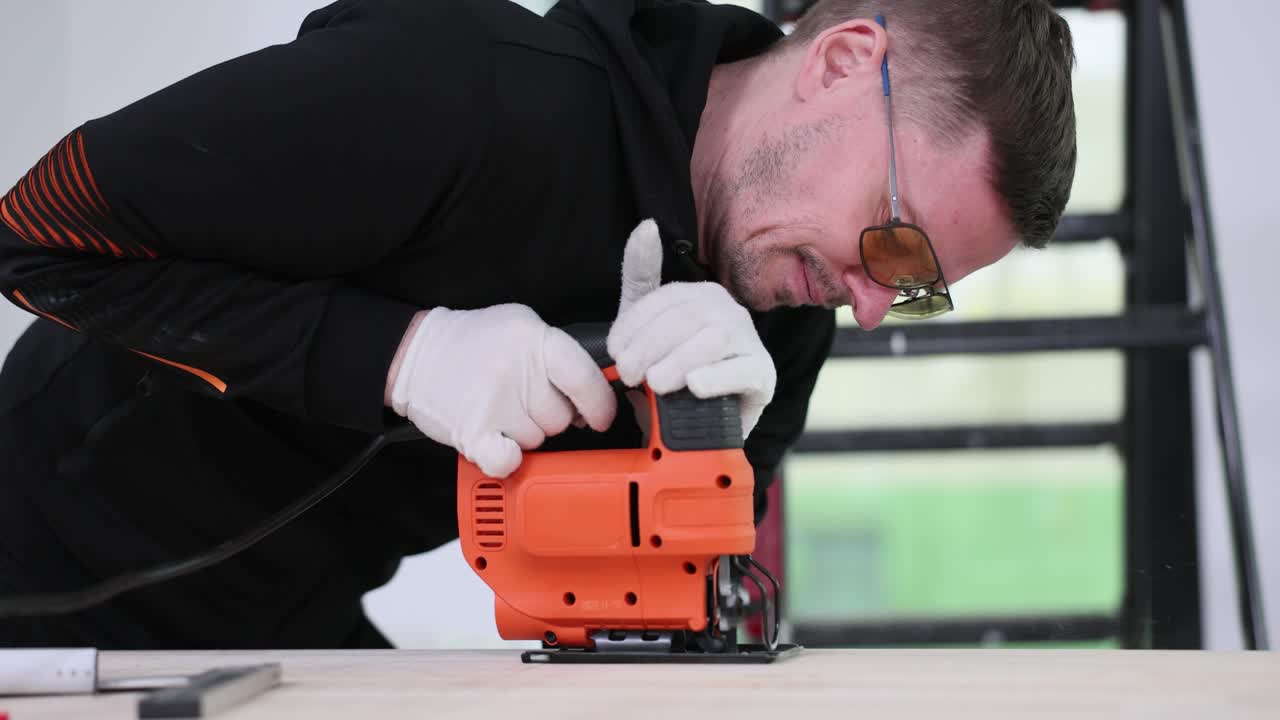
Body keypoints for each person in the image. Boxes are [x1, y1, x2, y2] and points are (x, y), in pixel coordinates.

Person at [0, 0, 1076, 649]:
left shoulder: (778, 307)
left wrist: (704, 458)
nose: (876, 302)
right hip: (39, 569)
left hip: (293, 627)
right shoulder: (465, 93)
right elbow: (35, 231)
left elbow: (677, 610)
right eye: (897, 244)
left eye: (920, 288)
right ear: (843, 63)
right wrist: (403, 355)